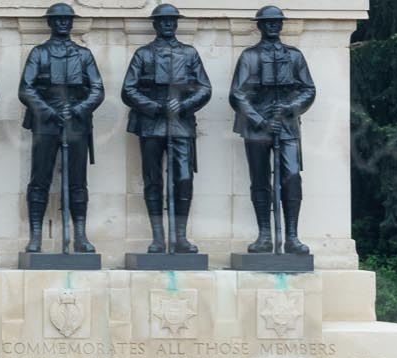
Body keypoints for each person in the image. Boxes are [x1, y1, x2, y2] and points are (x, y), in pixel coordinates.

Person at [121, 3, 212, 253]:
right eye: (163, 21)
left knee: (183, 178)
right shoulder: (143, 54)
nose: (168, 24)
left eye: (172, 20)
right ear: (155, 24)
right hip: (151, 124)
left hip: (181, 123)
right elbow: (128, 89)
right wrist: (155, 106)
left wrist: (183, 105)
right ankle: (158, 238)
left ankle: (180, 237)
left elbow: (204, 88)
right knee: (153, 180)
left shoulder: (189, 53)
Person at [18, 2, 104, 253]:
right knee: (39, 178)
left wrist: (77, 110)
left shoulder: (84, 55)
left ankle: (80, 234)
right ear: (50, 23)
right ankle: (35, 236)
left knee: (77, 180)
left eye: (67, 19)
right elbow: (26, 88)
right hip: (45, 122)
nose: (63, 23)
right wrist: (48, 111)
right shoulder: (38, 53)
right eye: (58, 19)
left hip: (76, 122)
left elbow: (97, 89)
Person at [228, 4, 315, 253]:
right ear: (260, 26)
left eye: (277, 22)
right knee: (260, 179)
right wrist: (259, 120)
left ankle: (292, 236)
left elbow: (308, 89)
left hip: (286, 125)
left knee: (291, 178)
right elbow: (237, 94)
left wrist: (290, 108)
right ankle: (265, 234)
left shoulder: (294, 55)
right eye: (268, 23)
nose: (273, 26)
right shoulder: (249, 56)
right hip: (256, 126)